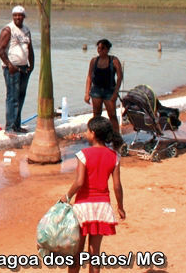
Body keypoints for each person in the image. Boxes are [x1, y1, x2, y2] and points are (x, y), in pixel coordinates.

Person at [62, 116, 126, 273]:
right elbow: (117, 185)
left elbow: (79, 182)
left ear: (93, 133)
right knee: (94, 253)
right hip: (102, 207)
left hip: (83, 207)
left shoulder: (83, 154)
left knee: (76, 253)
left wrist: (67, 196)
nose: (85, 133)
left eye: (87, 130)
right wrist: (120, 206)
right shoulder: (114, 156)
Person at [0, 5, 34, 134]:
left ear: (24, 17)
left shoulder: (26, 30)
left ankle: (17, 125)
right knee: (12, 97)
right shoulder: (8, 30)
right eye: (15, 15)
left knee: (20, 97)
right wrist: (9, 65)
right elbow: (0, 50)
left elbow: (30, 48)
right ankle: (9, 128)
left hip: (24, 68)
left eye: (20, 15)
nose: (18, 17)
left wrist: (31, 65)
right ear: (13, 16)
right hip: (12, 68)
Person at [84, 39, 124, 134]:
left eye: (102, 48)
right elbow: (89, 77)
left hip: (109, 91)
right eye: (98, 48)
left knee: (112, 115)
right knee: (96, 115)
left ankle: (116, 136)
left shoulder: (114, 60)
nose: (100, 50)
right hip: (96, 91)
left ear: (107, 49)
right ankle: (97, 136)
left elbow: (120, 77)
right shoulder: (94, 61)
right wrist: (87, 93)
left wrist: (115, 92)